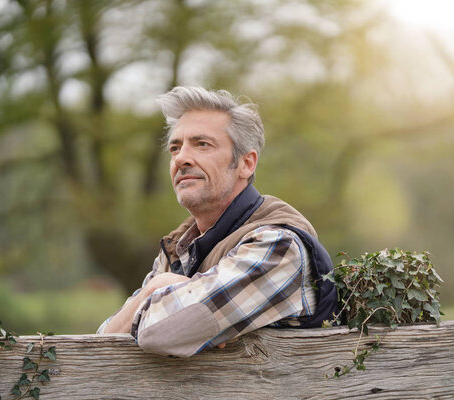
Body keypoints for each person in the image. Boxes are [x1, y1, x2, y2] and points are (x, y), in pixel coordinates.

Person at [97, 86, 339, 357]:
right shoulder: (180, 247)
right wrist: (152, 292)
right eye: (175, 148)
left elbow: (160, 333)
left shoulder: (278, 246)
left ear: (246, 164)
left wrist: (157, 294)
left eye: (202, 144)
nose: (181, 159)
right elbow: (103, 340)